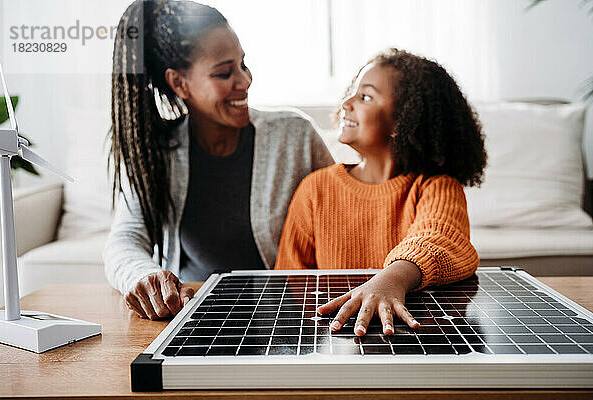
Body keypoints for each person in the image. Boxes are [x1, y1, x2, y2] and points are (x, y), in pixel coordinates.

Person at [104, 0, 333, 320]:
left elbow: (340, 216)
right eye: (225, 72)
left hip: (284, 314)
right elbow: (125, 239)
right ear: (179, 83)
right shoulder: (156, 152)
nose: (245, 81)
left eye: (243, 64)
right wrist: (143, 276)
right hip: (188, 314)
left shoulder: (295, 135)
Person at [275, 48, 487, 337]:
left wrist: (389, 281)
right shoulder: (316, 189)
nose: (347, 103)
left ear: (401, 121)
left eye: (365, 96)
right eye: (352, 92)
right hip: (336, 338)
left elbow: (439, 238)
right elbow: (290, 285)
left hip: (413, 337)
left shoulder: (437, 185)